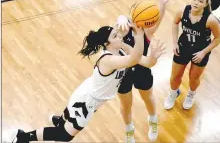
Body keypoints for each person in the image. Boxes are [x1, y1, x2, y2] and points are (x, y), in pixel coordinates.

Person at [3, 24, 147, 143]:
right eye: (115, 36)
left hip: (88, 93)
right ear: (106, 44)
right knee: (63, 137)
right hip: (87, 102)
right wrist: (139, 35)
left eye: (118, 34)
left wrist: (153, 54)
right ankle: (22, 137)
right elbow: (134, 59)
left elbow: (143, 60)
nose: (120, 36)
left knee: (66, 124)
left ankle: (61, 120)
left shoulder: (121, 50)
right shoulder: (108, 60)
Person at [114, 0, 174, 142]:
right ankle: (129, 130)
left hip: (142, 70)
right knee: (126, 105)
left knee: (148, 97)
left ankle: (153, 119)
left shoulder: (146, 31)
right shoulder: (122, 30)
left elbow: (157, 19)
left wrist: (162, 3)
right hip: (123, 72)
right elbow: (117, 27)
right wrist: (120, 17)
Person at [164, 0, 220, 110]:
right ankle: (173, 94)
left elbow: (218, 38)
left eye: (200, 1)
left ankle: (191, 95)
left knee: (194, 78)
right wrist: (175, 43)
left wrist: (203, 52)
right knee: (175, 76)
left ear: (206, 4)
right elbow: (175, 23)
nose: (196, 3)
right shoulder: (182, 11)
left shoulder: (210, 20)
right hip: (183, 47)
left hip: (200, 51)